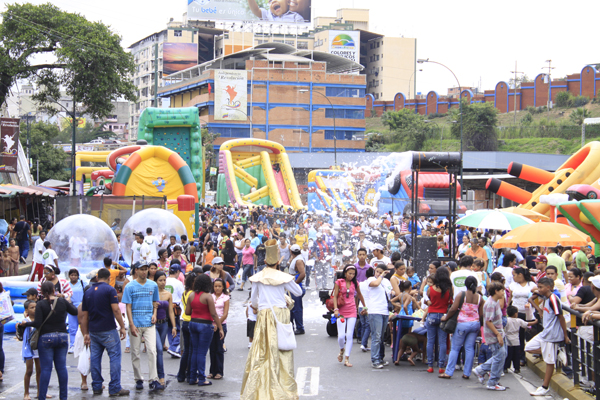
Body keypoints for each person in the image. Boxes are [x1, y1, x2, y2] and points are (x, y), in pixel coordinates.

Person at [240, 239, 302, 399]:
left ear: (265, 261)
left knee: (262, 353)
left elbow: (253, 301)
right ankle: (282, 387)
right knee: (282, 351)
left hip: (264, 315)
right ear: (278, 261)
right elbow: (298, 292)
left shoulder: (257, 277)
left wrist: (260, 305)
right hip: (280, 315)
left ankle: (259, 388)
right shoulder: (284, 277)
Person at [21, 281, 78, 400]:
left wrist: (26, 324)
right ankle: (63, 397)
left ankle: (42, 396)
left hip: (46, 337)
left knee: (46, 369)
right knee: (61, 368)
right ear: (54, 290)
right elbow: (75, 311)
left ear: (41, 292)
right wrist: (66, 299)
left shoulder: (41, 304)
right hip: (62, 336)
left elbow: (37, 323)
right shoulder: (62, 301)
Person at [79, 268, 129, 397]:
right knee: (115, 357)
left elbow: (85, 316)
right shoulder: (109, 289)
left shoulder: (88, 292)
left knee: (95, 358)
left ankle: (96, 385)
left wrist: (86, 333)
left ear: (97, 277)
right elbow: (116, 310)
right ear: (108, 278)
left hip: (94, 331)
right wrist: (122, 327)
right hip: (108, 329)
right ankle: (114, 387)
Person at [122, 263, 164, 392]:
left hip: (149, 323)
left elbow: (155, 302)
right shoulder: (130, 286)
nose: (144, 272)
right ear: (136, 271)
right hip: (135, 323)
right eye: (142, 269)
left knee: (152, 350)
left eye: (146, 269)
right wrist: (131, 324)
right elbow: (128, 306)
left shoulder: (153, 285)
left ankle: (153, 379)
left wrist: (155, 314)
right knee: (135, 352)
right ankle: (138, 378)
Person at [525, 277, 570, 396]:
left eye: (541, 287)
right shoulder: (545, 296)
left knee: (549, 362)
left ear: (549, 287)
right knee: (528, 347)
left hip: (552, 335)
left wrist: (565, 336)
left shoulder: (553, 299)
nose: (538, 289)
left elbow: (561, 317)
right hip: (545, 333)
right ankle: (556, 352)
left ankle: (545, 387)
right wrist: (539, 309)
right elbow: (531, 297)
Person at [440, 276, 483, 379]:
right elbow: (481, 314)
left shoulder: (462, 295)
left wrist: (446, 317)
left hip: (462, 324)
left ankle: (449, 372)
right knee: (469, 348)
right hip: (475, 324)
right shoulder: (479, 297)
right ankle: (466, 373)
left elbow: (453, 308)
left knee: (455, 348)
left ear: (466, 284)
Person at [186, 274, 224, 387]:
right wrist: (220, 328)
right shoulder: (208, 296)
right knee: (202, 353)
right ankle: (202, 378)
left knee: (195, 351)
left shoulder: (191, 295)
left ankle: (193, 377)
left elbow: (188, 312)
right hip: (205, 325)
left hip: (193, 323)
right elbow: (214, 314)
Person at [473, 281, 507, 391]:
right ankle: (492, 381)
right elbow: (488, 321)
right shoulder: (491, 303)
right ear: (496, 291)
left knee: (501, 355)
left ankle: (481, 370)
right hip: (494, 335)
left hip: (498, 333)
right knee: (499, 357)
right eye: (502, 290)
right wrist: (498, 334)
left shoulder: (495, 302)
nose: (503, 292)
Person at [332, 264, 366, 367]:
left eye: (353, 274)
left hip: (352, 311)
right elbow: (335, 296)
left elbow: (359, 294)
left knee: (349, 334)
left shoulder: (355, 283)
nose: (351, 275)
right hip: (341, 312)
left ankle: (347, 358)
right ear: (345, 273)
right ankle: (342, 349)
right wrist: (336, 309)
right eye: (350, 273)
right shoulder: (339, 282)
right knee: (341, 336)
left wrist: (365, 306)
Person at [423, 266, 453, 373]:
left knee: (430, 341)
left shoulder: (431, 289)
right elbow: (450, 302)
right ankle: (441, 366)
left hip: (431, 315)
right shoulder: (449, 289)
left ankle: (430, 365)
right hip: (443, 315)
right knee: (443, 342)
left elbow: (427, 300)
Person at [153, 271, 177, 385]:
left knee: (159, 350)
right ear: (156, 281)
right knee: (158, 349)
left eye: (164, 280)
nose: (163, 282)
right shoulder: (152, 293)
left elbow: (171, 312)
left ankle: (156, 374)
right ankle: (161, 376)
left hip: (164, 324)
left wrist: (174, 326)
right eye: (160, 280)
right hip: (153, 324)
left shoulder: (168, 294)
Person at [367, 264, 393, 369]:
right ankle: (375, 359)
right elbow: (376, 284)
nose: (378, 273)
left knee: (381, 337)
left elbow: (390, 293)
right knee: (376, 336)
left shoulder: (387, 282)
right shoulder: (371, 279)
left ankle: (381, 358)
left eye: (381, 272)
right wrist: (381, 276)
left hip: (384, 311)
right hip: (375, 311)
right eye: (377, 271)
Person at [509, 267, 537, 363]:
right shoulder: (512, 285)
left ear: (520, 275)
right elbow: (509, 299)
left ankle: (522, 357)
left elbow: (536, 295)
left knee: (526, 335)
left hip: (528, 314)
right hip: (516, 314)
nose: (513, 277)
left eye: (514, 275)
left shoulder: (531, 285)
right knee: (518, 335)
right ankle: (519, 357)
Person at [504, 305, 537, 374]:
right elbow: (527, 324)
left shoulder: (506, 320)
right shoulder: (518, 320)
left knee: (508, 355)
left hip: (508, 341)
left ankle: (505, 367)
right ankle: (517, 368)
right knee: (516, 356)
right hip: (516, 341)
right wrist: (535, 321)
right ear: (516, 313)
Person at [208, 278, 229, 379]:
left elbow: (225, 314)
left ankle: (219, 372)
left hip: (221, 325)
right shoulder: (210, 297)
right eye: (215, 286)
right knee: (212, 349)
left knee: (219, 349)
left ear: (223, 287)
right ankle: (212, 371)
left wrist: (218, 324)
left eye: (219, 286)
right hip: (210, 325)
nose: (217, 288)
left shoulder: (225, 297)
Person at [177, 272, 196, 383]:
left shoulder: (185, 292)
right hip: (191, 321)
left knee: (187, 350)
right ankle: (189, 374)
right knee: (191, 350)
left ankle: (181, 374)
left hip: (184, 321)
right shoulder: (192, 294)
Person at [22, 300, 42, 400]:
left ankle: (40, 392)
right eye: (31, 307)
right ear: (27, 310)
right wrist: (20, 326)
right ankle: (26, 393)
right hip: (28, 349)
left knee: (40, 370)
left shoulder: (39, 320)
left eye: (35, 307)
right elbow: (21, 334)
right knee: (29, 371)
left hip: (38, 348)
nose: (34, 309)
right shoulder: (25, 321)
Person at [165, 266, 185, 358]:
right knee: (177, 327)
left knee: (170, 328)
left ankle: (172, 347)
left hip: (165, 307)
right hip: (175, 308)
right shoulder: (178, 283)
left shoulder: (164, 280)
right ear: (177, 272)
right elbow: (183, 295)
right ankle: (174, 347)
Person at [288, 244, 306, 335]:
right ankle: (291, 326)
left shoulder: (298, 260)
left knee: (296, 308)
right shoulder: (296, 258)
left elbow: (302, 274)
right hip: (293, 286)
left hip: (296, 286)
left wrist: (294, 285)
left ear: (291, 252)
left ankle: (300, 327)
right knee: (291, 307)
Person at [67, 268, 85, 353]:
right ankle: (72, 345)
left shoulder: (82, 283)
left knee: (83, 326)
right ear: (69, 276)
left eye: (75, 275)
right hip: (71, 307)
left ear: (78, 276)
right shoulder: (67, 285)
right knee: (72, 327)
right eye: (72, 275)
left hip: (81, 307)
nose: (73, 277)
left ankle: (83, 344)